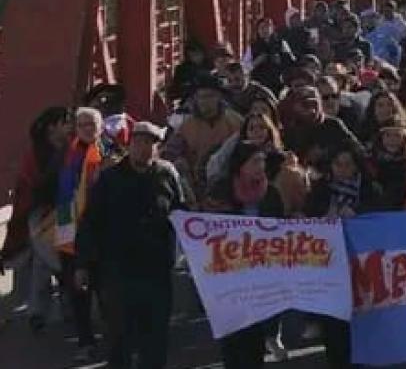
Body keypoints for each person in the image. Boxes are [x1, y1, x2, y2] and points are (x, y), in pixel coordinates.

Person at [76, 122, 185, 369]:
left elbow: (183, 215)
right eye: (139, 142)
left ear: (157, 148)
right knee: (118, 339)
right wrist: (82, 265)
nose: (143, 148)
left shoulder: (167, 175)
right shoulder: (109, 179)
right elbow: (90, 222)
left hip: (156, 271)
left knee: (155, 338)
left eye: (150, 143)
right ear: (129, 144)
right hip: (117, 271)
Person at [205, 146, 286, 369]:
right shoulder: (221, 191)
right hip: (228, 278)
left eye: (262, 162)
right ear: (239, 167)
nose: (261, 167)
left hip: (259, 279)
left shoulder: (271, 193)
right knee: (232, 343)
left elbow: (281, 229)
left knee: (253, 345)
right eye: (255, 162)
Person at [0, 107, 72, 334]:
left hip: (66, 211)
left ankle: (61, 309)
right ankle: (38, 313)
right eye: (65, 122)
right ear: (52, 127)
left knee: (63, 259)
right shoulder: (37, 152)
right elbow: (28, 184)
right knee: (44, 261)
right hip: (42, 212)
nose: (69, 126)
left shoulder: (72, 147)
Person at [54, 107, 108, 361]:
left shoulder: (111, 151)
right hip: (71, 233)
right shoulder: (66, 155)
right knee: (79, 292)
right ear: (76, 128)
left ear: (101, 127)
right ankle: (85, 342)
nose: (87, 129)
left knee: (106, 290)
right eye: (82, 124)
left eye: (92, 124)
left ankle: (114, 339)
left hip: (101, 232)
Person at [162, 73, 244, 204]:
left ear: (219, 97)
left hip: (229, 188)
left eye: (209, 96)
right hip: (193, 189)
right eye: (200, 97)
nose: (204, 101)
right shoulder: (186, 126)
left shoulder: (235, 122)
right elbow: (169, 154)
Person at [282, 85, 366, 174]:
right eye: (305, 105)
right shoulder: (289, 129)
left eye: (314, 104)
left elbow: (358, 149)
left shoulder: (333, 124)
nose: (312, 110)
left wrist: (327, 153)